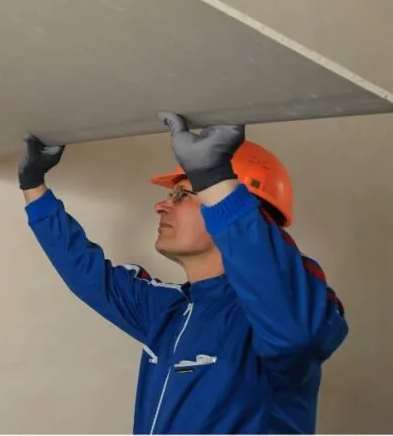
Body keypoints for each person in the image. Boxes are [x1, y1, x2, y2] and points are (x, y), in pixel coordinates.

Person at [18, 112, 348, 434]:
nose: (161, 205)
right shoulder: (170, 311)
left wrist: (214, 176)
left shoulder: (278, 311)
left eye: (182, 194)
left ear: (241, 206)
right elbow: (88, 275)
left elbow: (294, 328)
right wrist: (33, 187)